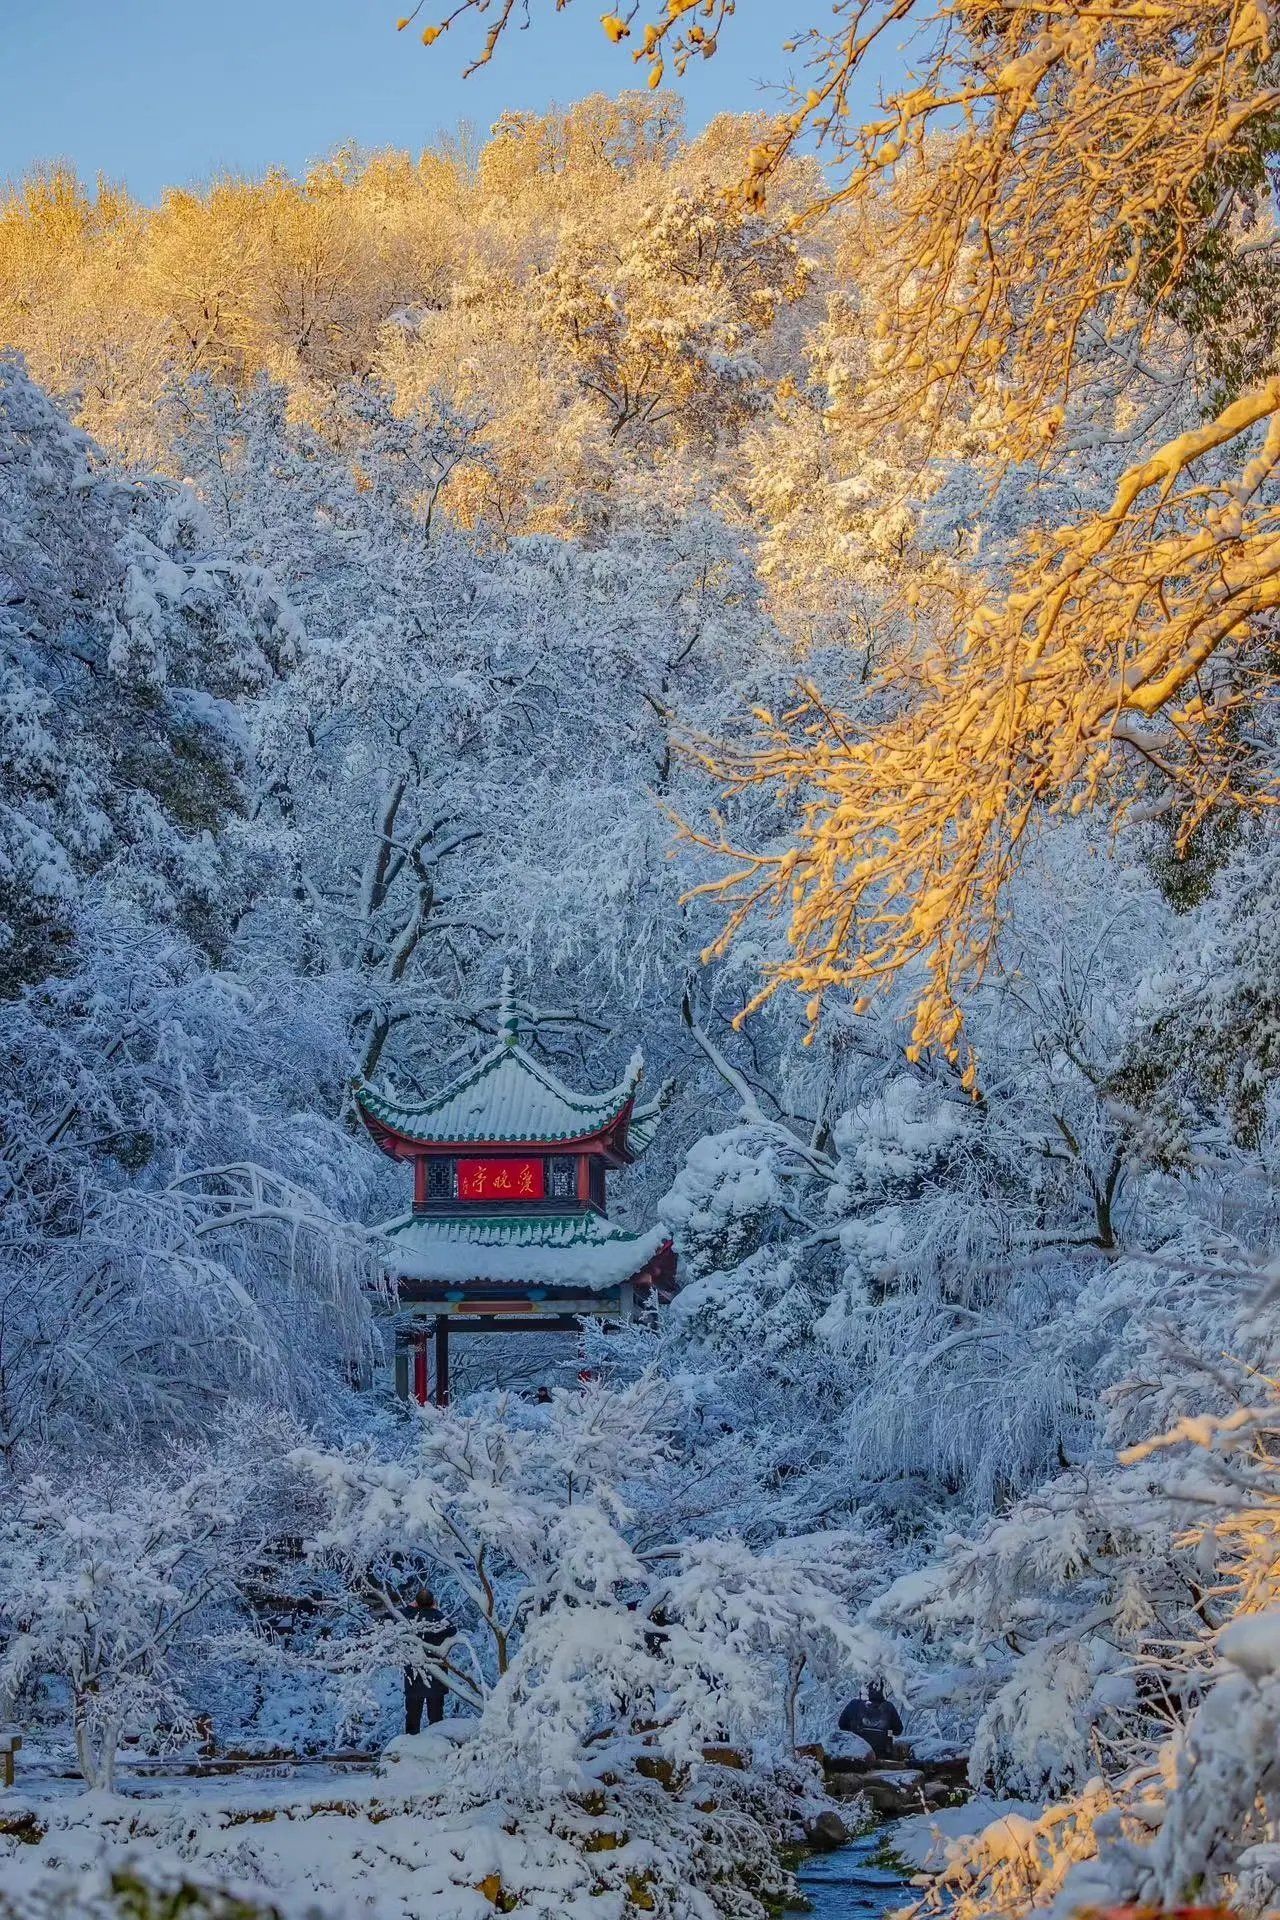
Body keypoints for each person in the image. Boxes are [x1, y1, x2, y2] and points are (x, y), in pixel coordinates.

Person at [402, 1585, 454, 1735]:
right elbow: (452, 1629)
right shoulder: (440, 1620)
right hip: (436, 1675)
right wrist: (434, 1611)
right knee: (436, 1718)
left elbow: (389, 1617)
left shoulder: (408, 1617)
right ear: (433, 1602)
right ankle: (435, 1747)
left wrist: (409, 1608)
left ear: (416, 1603)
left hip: (413, 1674)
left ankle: (408, 1748)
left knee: (412, 1717)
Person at [837, 1679, 903, 1760]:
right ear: (882, 1690)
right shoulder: (889, 1707)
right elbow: (898, 1730)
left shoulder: (854, 1704)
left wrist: (854, 1729)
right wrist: (887, 1731)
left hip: (857, 1756)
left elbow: (841, 1725)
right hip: (883, 1756)